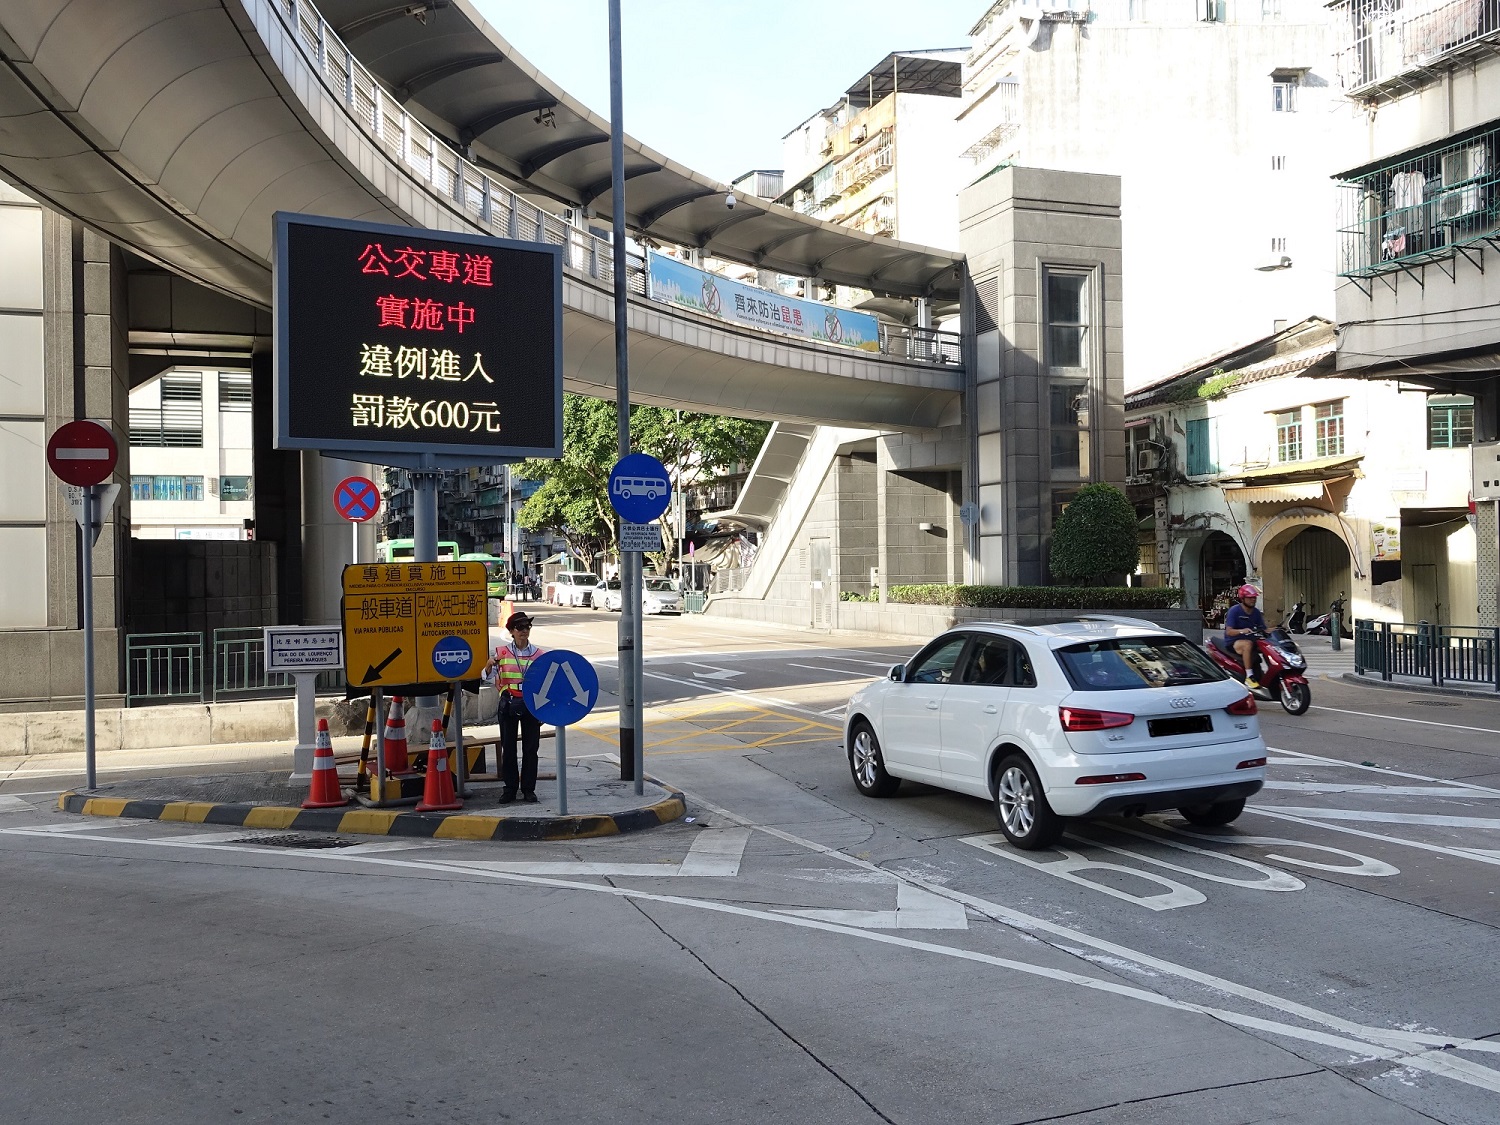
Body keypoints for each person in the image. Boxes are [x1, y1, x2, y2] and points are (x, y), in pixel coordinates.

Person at [484, 611, 546, 804]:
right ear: (511, 631)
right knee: (509, 749)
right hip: (508, 704)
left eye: (527, 627)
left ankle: (528, 789)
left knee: (531, 749)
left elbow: (545, 681)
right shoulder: (501, 652)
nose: (524, 631)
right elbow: (487, 677)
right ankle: (510, 789)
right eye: (520, 627)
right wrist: (488, 666)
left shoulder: (539, 655)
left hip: (531, 704)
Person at [1224, 584, 1268, 689]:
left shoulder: (1256, 612)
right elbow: (1229, 632)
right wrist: (1241, 631)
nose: (1253, 599)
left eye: (1254, 597)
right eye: (1250, 597)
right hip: (1234, 642)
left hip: (1252, 640)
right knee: (1247, 644)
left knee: (1268, 646)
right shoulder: (1234, 611)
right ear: (1243, 598)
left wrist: (1277, 630)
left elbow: (1263, 629)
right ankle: (1249, 677)